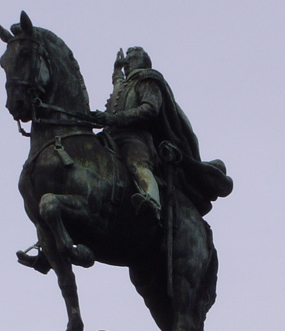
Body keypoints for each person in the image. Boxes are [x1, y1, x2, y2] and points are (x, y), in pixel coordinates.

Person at [92, 47, 233, 220]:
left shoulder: (149, 80)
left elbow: (150, 109)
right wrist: (116, 72)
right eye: (126, 59)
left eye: (132, 58)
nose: (127, 62)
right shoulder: (127, 84)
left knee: (138, 165)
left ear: (142, 61)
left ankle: (151, 202)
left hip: (135, 137)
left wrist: (114, 119)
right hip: (110, 136)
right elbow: (118, 88)